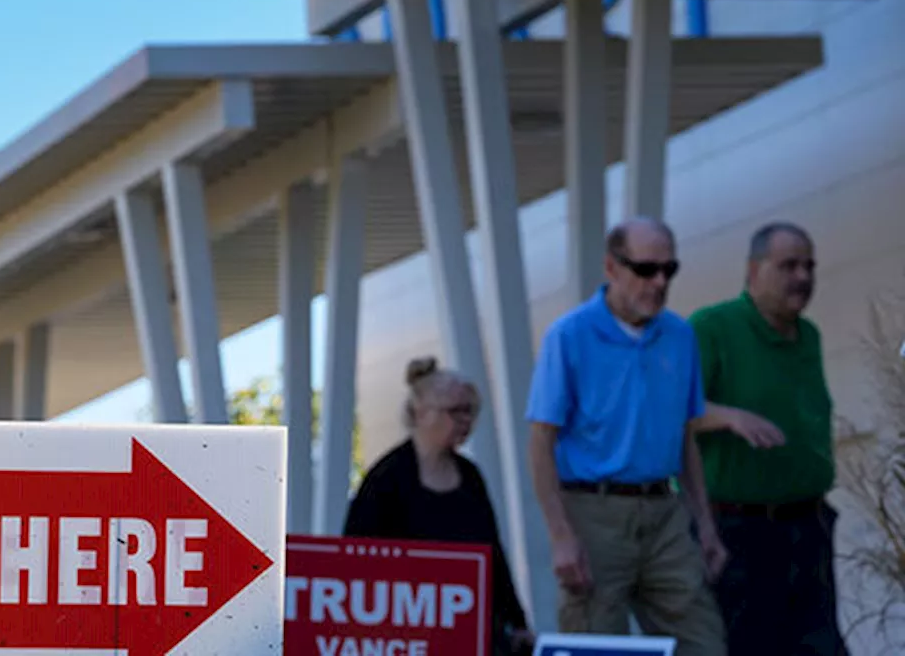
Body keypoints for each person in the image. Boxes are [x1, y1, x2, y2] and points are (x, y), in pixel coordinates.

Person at [525, 217, 729, 656]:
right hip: (593, 511)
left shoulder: (679, 335)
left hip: (664, 513)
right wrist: (561, 535)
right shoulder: (570, 335)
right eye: (645, 270)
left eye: (668, 271)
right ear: (611, 268)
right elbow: (541, 440)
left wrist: (705, 525)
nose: (658, 282)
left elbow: (685, 436)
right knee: (595, 643)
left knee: (705, 642)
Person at [688, 222, 850, 655]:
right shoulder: (713, 327)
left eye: (809, 266)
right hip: (739, 530)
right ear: (753, 271)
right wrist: (727, 416)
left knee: (821, 646)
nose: (803, 277)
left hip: (808, 526)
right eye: (788, 266)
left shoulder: (808, 335)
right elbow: (668, 412)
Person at [344, 356, 535, 656]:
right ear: (420, 412)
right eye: (455, 412)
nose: (465, 421)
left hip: (471, 626)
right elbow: (355, 560)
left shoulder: (470, 475)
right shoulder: (386, 479)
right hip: (408, 629)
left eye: (470, 411)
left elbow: (492, 554)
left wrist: (517, 621)